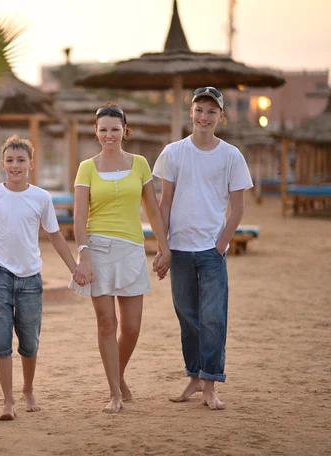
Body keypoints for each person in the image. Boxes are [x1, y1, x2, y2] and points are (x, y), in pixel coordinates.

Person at [0, 135, 88, 421]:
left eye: (21, 160)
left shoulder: (41, 197)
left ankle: (27, 390)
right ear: (3, 164)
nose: (15, 165)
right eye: (10, 160)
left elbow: (55, 236)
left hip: (30, 279)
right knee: (1, 340)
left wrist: (74, 266)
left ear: (31, 164)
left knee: (29, 342)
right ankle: (8, 400)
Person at [152, 87, 253, 410]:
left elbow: (237, 209)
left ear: (220, 116)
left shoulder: (231, 156)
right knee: (188, 316)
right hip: (179, 250)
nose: (205, 117)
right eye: (199, 110)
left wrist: (220, 245)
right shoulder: (173, 152)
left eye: (211, 112)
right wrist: (163, 247)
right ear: (191, 113)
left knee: (213, 318)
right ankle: (194, 378)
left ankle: (210, 384)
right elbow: (164, 204)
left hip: (211, 252)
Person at [70, 102, 171, 413]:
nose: (109, 134)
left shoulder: (140, 163)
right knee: (106, 323)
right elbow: (79, 216)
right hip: (97, 249)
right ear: (96, 132)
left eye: (115, 129)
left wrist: (163, 247)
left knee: (131, 328)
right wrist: (83, 256)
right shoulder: (87, 166)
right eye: (103, 129)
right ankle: (115, 391)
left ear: (125, 130)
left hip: (131, 249)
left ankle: (119, 375)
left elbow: (152, 209)